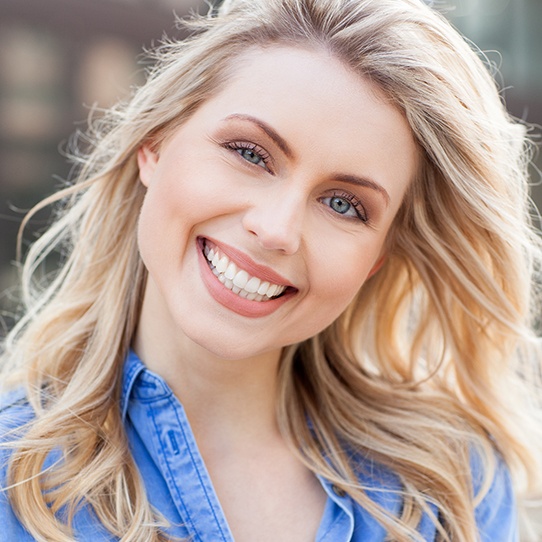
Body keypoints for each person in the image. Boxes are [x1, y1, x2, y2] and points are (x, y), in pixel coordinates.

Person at [1, 0, 541, 540]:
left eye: (344, 204)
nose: (278, 229)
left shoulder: (451, 490)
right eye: (250, 153)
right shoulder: (12, 480)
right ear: (156, 143)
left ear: (375, 258)